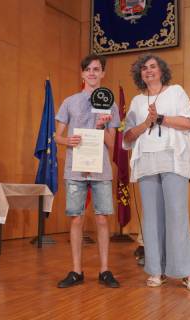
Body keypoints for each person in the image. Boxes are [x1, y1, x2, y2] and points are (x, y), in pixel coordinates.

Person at [123, 53, 190, 292]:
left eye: (152, 67)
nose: (148, 71)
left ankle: (187, 271)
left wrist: (160, 118)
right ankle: (156, 270)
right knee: (151, 219)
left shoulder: (176, 91)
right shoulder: (137, 102)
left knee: (177, 215)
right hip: (147, 161)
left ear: (161, 71)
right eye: (144, 68)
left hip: (173, 160)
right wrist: (146, 123)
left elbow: (189, 124)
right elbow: (127, 137)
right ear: (140, 74)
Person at [54, 54, 120, 288]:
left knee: (102, 218)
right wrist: (67, 140)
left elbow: (112, 144)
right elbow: (57, 136)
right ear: (82, 74)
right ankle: (76, 271)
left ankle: (104, 270)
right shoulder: (70, 102)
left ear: (103, 73)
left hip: (100, 168)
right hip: (75, 169)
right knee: (76, 218)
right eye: (88, 69)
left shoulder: (110, 104)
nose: (92, 73)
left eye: (97, 69)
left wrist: (102, 126)